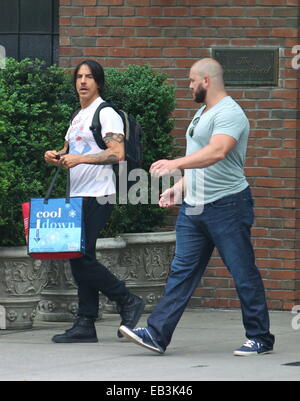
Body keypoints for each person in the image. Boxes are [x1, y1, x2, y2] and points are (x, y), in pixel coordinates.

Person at [119, 58, 275, 356]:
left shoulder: (231, 113)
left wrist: (174, 164)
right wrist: (178, 189)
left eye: (192, 81)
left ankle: (260, 337)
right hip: (194, 209)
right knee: (181, 271)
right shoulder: (201, 113)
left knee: (242, 272)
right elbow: (198, 162)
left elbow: (217, 152)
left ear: (206, 80)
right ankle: (156, 333)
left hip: (228, 205)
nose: (188, 86)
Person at [44, 60, 145, 343]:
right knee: (80, 256)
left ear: (98, 82)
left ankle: (126, 300)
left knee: (79, 257)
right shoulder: (79, 115)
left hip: (98, 194)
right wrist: (55, 155)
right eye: (79, 76)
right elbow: (69, 150)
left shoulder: (106, 113)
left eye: (89, 77)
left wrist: (80, 158)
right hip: (77, 195)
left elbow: (117, 154)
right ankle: (86, 323)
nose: (83, 81)